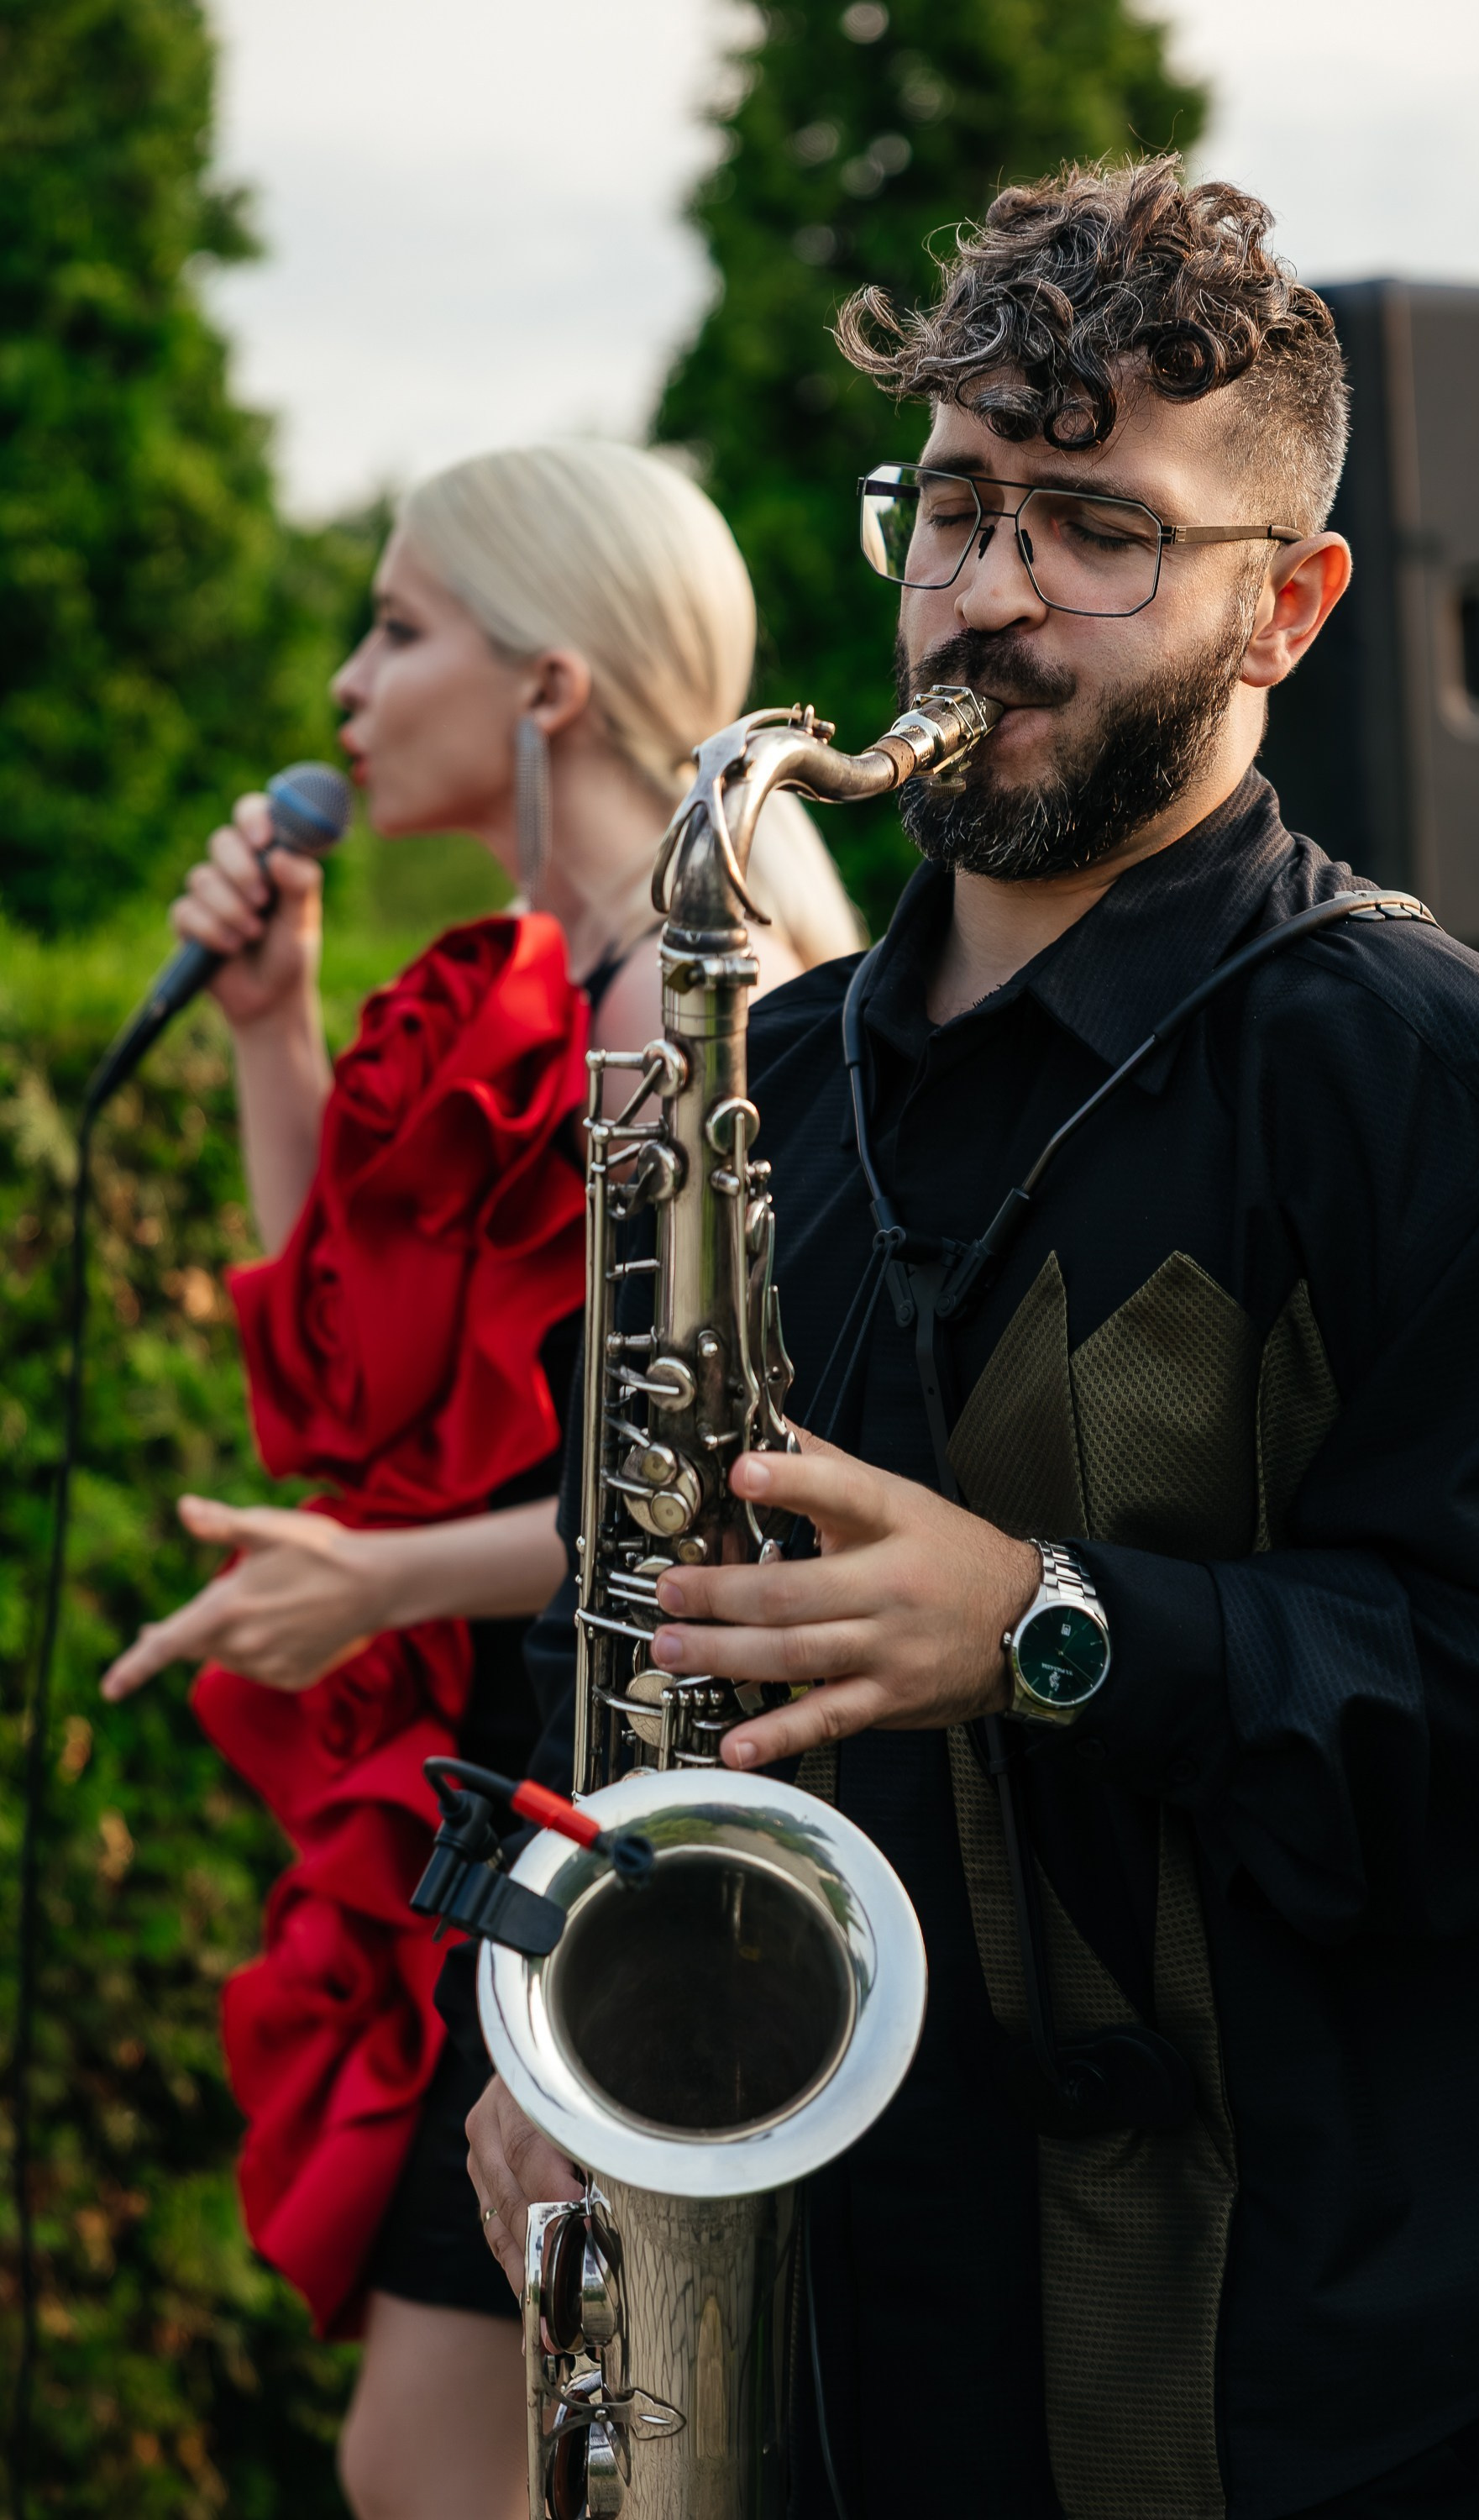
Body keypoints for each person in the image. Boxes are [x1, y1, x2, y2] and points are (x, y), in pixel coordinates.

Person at [465, 164, 1479, 2520]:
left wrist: (1048, 1630)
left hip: (1317, 2389)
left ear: (1291, 606)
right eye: (961, 509)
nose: (994, 599)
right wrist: (521, 2037)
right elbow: (601, 1650)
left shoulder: (1442, 1080)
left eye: (1098, 528)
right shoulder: (768, 1080)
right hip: (840, 2359)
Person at [97, 438, 862, 2520]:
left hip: (637, 1823)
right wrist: (271, 1028)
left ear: (545, 686)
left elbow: (709, 1490)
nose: (345, 688)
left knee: (479, 2455)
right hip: (518, 1807)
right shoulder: (543, 986)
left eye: (399, 625)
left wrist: (373, 1582)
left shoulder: (723, 1016)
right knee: (472, 2452)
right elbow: (353, 1408)